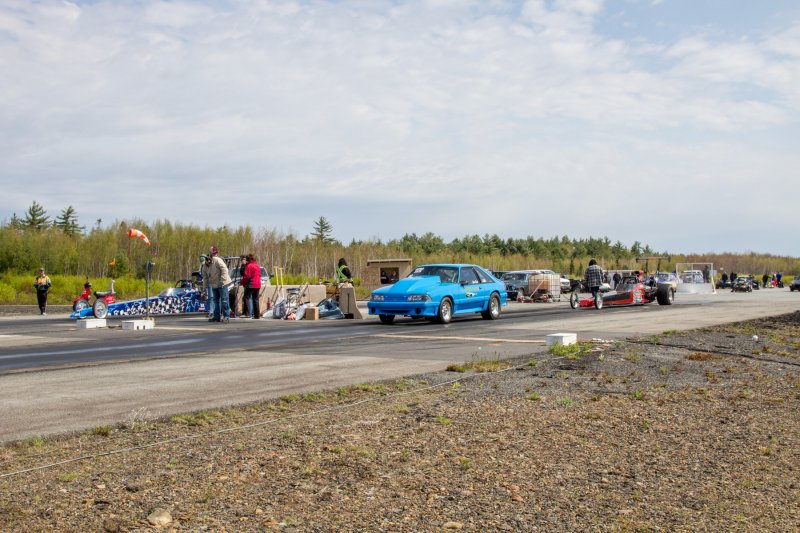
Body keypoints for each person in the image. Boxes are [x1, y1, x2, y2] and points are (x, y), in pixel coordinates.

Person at [207, 246, 232, 323]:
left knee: (224, 300)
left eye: (211, 251)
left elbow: (225, 269)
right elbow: (208, 273)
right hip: (215, 284)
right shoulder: (209, 262)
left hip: (222, 284)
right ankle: (216, 316)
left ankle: (226, 316)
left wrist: (222, 280)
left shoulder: (218, 260)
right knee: (216, 301)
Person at [240, 253, 262, 319]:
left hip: (251, 284)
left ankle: (248, 313)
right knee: (256, 300)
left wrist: (241, 282)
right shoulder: (257, 265)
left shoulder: (249, 266)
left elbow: (247, 276)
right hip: (258, 284)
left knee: (246, 298)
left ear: (248, 259)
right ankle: (257, 315)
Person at [200, 254, 216, 319]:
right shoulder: (204, 267)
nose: (207, 262)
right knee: (211, 297)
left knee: (217, 298)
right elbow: (205, 278)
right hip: (210, 283)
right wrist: (204, 289)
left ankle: (216, 312)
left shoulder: (214, 264)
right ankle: (211, 312)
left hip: (217, 282)